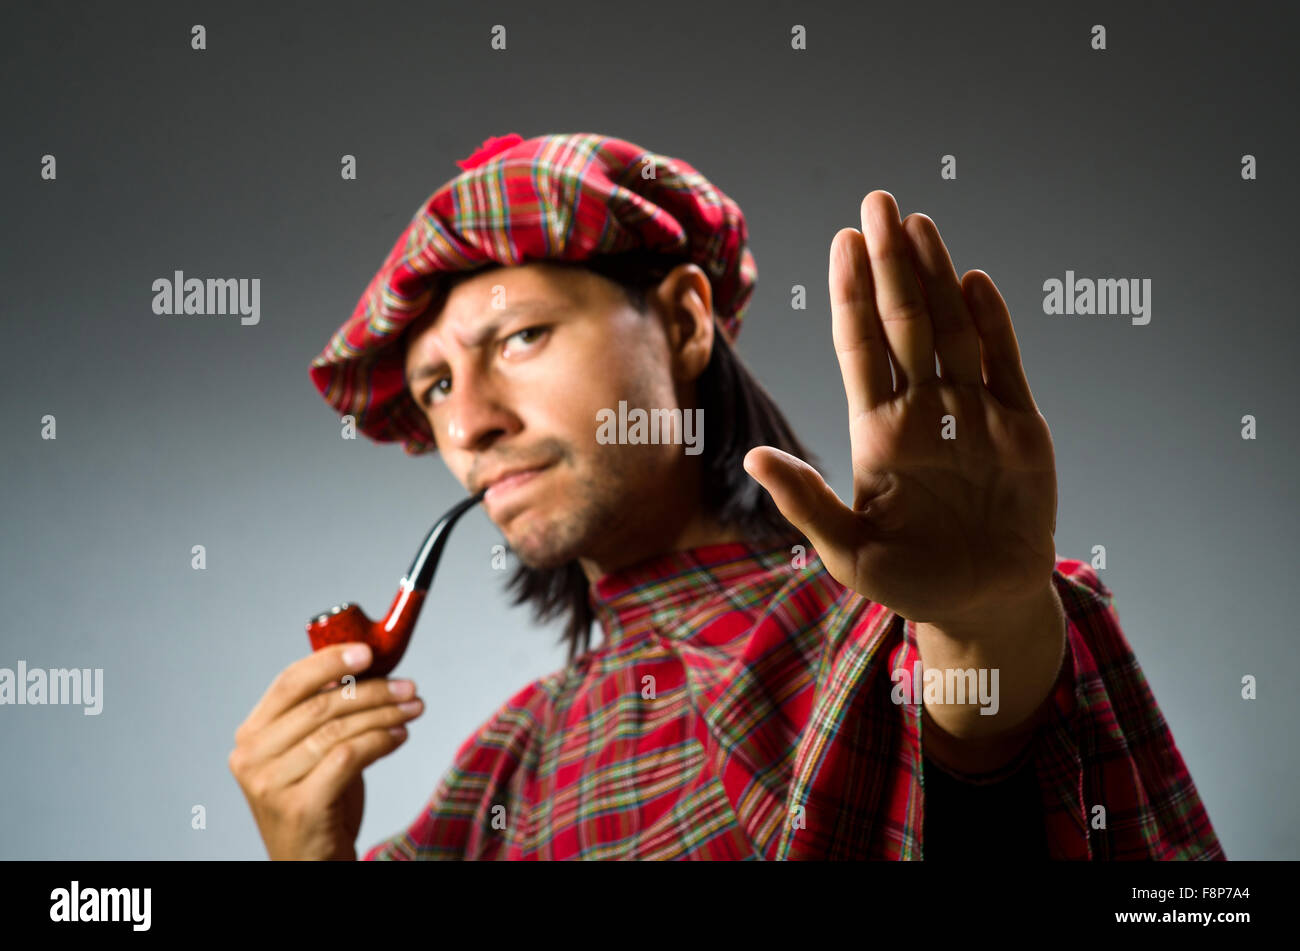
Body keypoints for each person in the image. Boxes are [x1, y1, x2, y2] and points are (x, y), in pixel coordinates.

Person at [228, 132, 1224, 860]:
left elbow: (961, 736)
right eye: (435, 384)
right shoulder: (506, 765)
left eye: (520, 338)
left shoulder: (864, 636)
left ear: (685, 322)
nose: (469, 422)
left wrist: (987, 631)